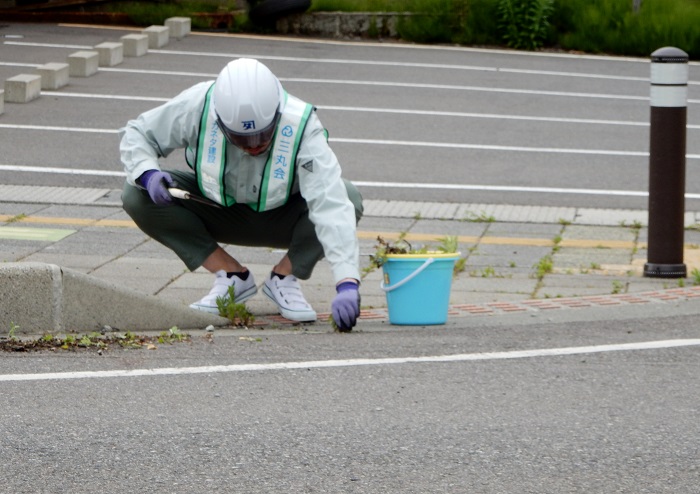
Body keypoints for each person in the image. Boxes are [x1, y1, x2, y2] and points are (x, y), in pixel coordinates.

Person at [119, 58, 363, 331]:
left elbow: (329, 202)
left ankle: (284, 278)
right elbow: (139, 133)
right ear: (220, 122)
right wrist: (148, 173)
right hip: (216, 208)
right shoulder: (199, 105)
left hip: (283, 217)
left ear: (277, 115)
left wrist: (347, 282)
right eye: (241, 139)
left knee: (348, 198)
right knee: (135, 193)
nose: (254, 146)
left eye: (263, 135)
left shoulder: (302, 125)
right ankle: (231, 275)